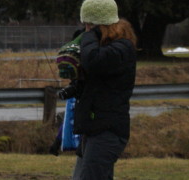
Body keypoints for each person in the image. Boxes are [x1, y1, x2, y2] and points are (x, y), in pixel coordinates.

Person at [69, 0, 137, 179]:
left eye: (88, 24)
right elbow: (97, 82)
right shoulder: (104, 48)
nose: (85, 28)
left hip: (108, 131)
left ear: (100, 25)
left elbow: (93, 61)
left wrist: (88, 36)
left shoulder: (122, 48)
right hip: (93, 128)